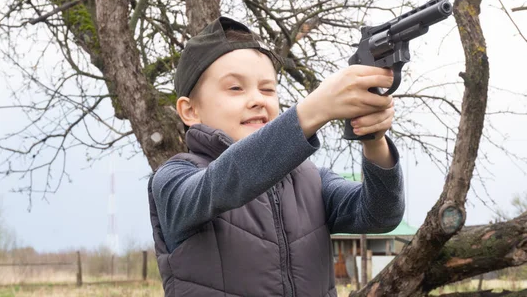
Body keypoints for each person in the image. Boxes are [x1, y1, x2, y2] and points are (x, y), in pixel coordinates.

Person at [148, 16, 405, 297]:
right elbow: (226, 181)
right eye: (235, 88)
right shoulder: (173, 180)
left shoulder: (311, 179)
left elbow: (381, 215)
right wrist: (313, 110)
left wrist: (373, 139)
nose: (259, 99)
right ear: (189, 111)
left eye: (268, 89)